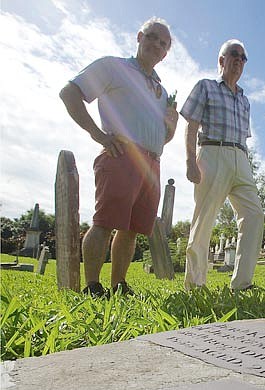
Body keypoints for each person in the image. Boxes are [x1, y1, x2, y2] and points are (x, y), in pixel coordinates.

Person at [59, 17, 179, 297]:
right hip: (121, 154)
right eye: (152, 37)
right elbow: (70, 93)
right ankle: (92, 285)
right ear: (139, 37)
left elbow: (163, 138)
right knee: (105, 221)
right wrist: (98, 135)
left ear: (166, 53)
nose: (157, 45)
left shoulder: (161, 90)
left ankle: (119, 285)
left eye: (164, 44)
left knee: (132, 229)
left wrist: (170, 127)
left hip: (152, 163)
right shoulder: (115, 67)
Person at [181, 39, 264, 292]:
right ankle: (195, 285)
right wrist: (190, 160)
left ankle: (242, 284)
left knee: (254, 215)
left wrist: (244, 163)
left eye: (243, 58)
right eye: (234, 55)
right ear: (221, 60)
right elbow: (191, 123)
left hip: (241, 157)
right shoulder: (206, 87)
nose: (239, 60)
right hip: (212, 153)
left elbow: (244, 137)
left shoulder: (245, 100)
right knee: (204, 218)